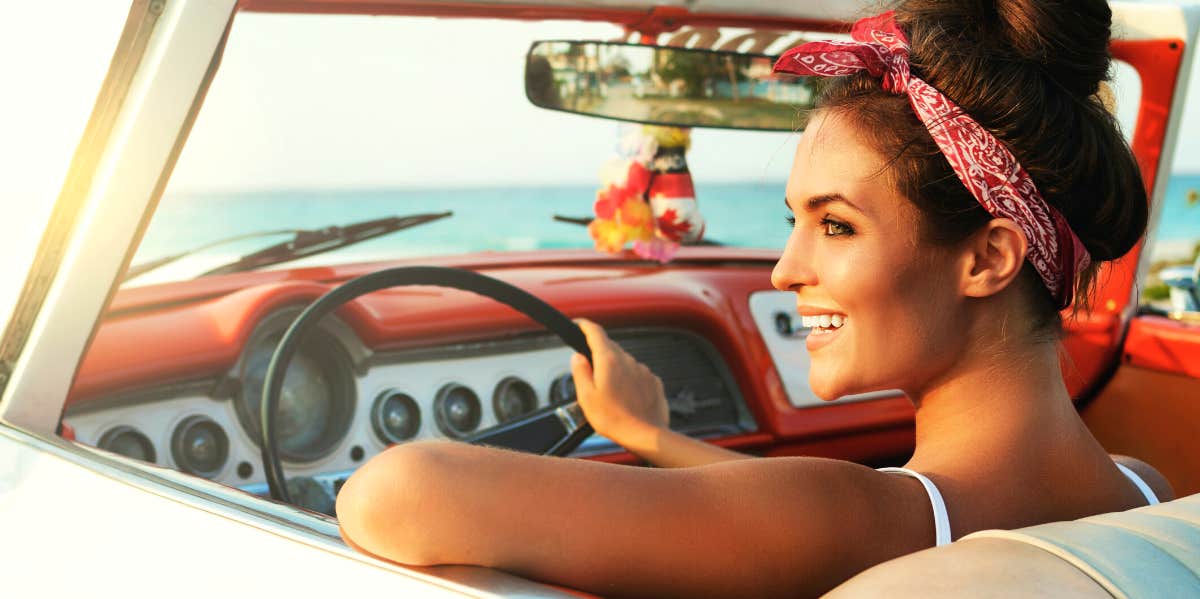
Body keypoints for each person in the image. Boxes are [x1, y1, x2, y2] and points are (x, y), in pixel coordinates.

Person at [335, 1, 1175, 595]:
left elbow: (394, 490)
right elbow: (788, 516)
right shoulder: (1145, 491)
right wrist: (651, 439)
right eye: (792, 223)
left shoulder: (857, 517)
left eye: (836, 226)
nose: (783, 270)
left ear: (989, 256)